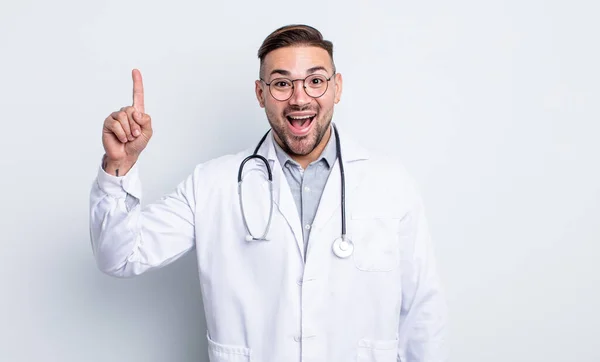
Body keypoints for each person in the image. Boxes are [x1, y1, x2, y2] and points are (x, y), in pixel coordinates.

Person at [89, 24, 447, 362]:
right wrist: (120, 164)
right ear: (261, 94)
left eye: (315, 81)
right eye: (281, 84)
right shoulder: (213, 184)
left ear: (337, 87)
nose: (299, 98)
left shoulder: (390, 183)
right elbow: (118, 256)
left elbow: (421, 311)